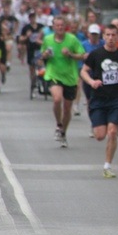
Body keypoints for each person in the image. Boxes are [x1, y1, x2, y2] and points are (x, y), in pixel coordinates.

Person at [80, 24, 118, 178]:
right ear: (103, 37)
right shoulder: (96, 54)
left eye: (113, 35)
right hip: (98, 99)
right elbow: (83, 71)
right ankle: (106, 160)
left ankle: (107, 165)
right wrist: (91, 82)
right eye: (107, 35)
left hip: (116, 99)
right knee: (100, 135)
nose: (110, 38)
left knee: (113, 131)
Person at [41, 16, 86, 148]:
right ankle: (58, 124)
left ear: (65, 27)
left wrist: (71, 54)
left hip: (70, 77)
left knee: (67, 109)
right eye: (57, 25)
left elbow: (82, 55)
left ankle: (63, 132)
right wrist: (45, 55)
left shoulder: (72, 39)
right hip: (53, 74)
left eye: (62, 25)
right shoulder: (47, 39)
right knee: (56, 99)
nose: (60, 28)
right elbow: (42, 54)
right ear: (53, 27)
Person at [79, 24, 105, 123]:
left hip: (102, 76)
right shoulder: (83, 45)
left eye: (96, 34)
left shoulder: (103, 44)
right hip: (89, 77)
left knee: (102, 100)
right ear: (88, 34)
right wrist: (83, 56)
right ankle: (93, 123)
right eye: (92, 34)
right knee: (90, 101)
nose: (94, 36)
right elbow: (79, 58)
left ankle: (101, 120)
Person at [19, 11, 45, 95]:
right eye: (31, 17)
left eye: (33, 17)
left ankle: (42, 82)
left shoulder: (41, 27)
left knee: (41, 65)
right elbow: (20, 39)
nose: (32, 19)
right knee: (32, 68)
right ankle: (33, 84)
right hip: (31, 50)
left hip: (40, 49)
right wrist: (27, 36)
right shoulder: (26, 28)